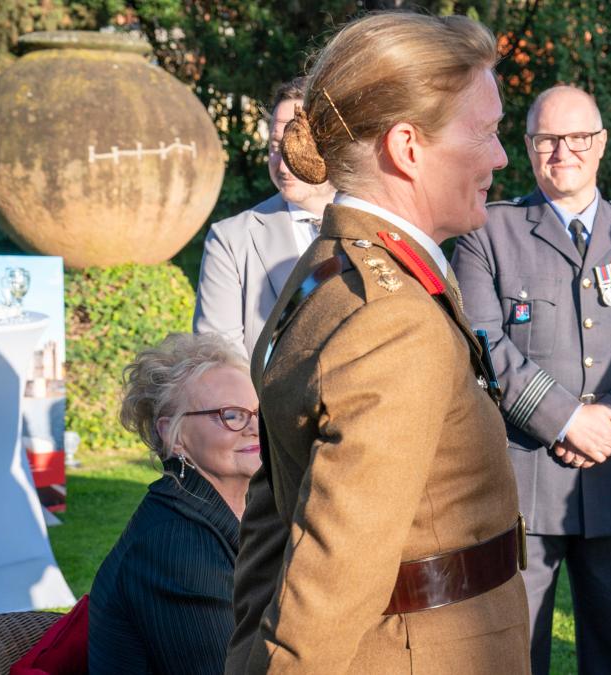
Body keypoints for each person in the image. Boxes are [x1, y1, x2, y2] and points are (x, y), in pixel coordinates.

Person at [226, 13, 529, 674]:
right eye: (485, 131)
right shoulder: (394, 318)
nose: (502, 156)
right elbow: (327, 589)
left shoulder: (331, 271)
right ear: (407, 147)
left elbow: (271, 528)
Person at [452, 84, 611, 675]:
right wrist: (565, 419)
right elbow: (482, 344)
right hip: (524, 484)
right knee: (515, 654)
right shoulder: (487, 232)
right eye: (547, 139)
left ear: (602, 142)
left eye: (578, 137)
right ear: (527, 146)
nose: (563, 151)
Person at [88, 332, 259, 675]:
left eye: (258, 412)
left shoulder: (251, 510)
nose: (254, 427)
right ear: (173, 435)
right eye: (231, 415)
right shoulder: (174, 546)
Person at [193, 77, 337, 359]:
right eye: (274, 147)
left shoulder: (379, 226)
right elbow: (219, 361)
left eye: (297, 145)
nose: (282, 165)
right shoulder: (231, 241)